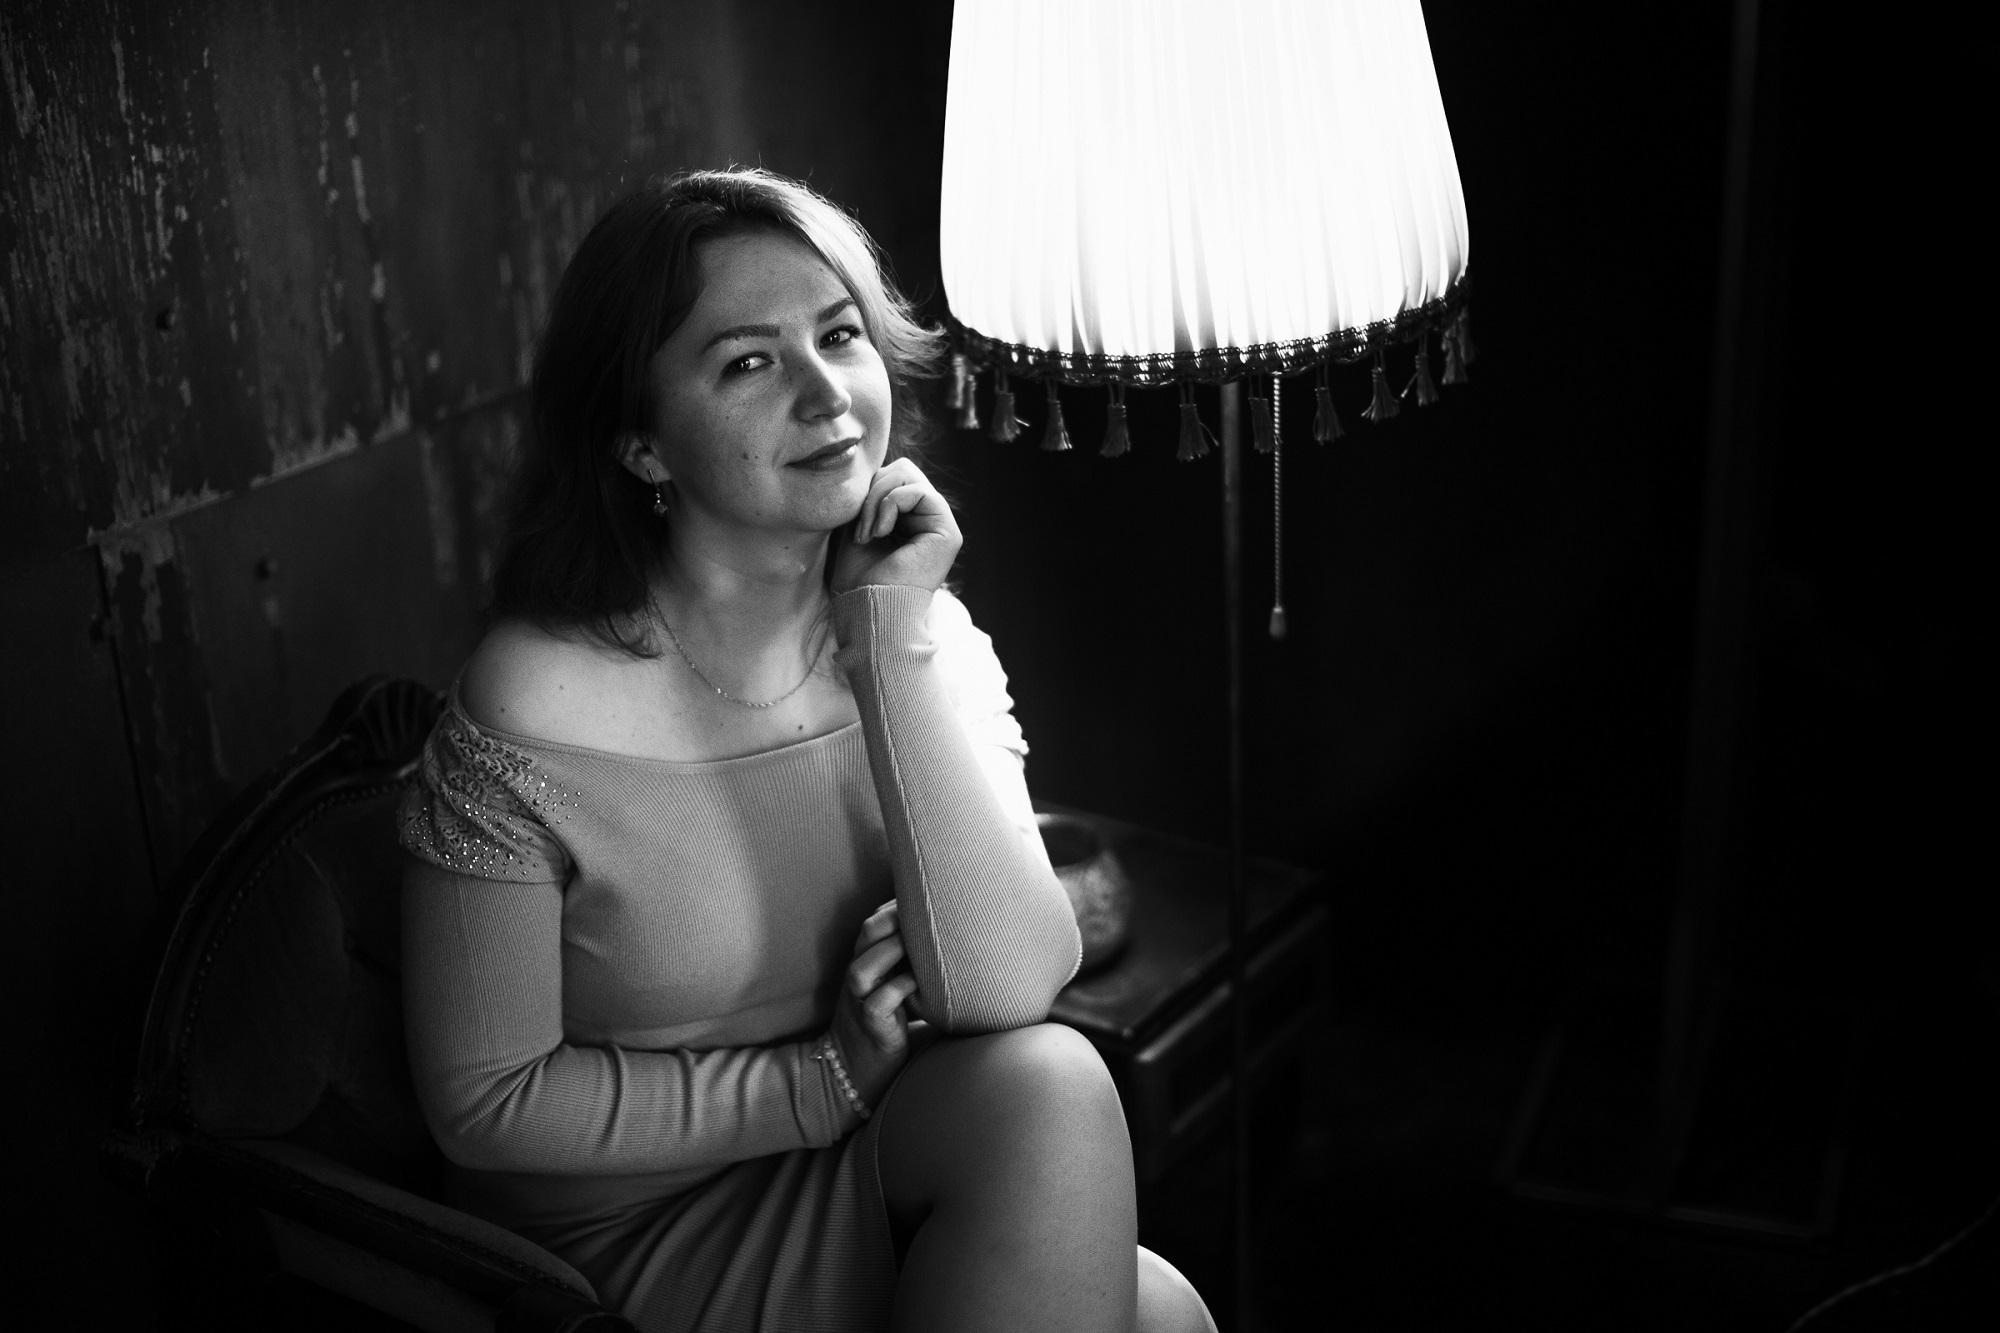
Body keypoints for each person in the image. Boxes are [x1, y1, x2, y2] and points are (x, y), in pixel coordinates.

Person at [397, 167, 1216, 1333]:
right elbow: (485, 1102)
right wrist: (814, 1081)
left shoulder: (915, 628)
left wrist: (883, 638)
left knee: (1121, 1220)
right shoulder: (535, 698)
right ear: (640, 444)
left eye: (839, 336)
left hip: (857, 1149)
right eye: (748, 362)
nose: (827, 392)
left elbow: (1006, 988)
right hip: (620, 1239)